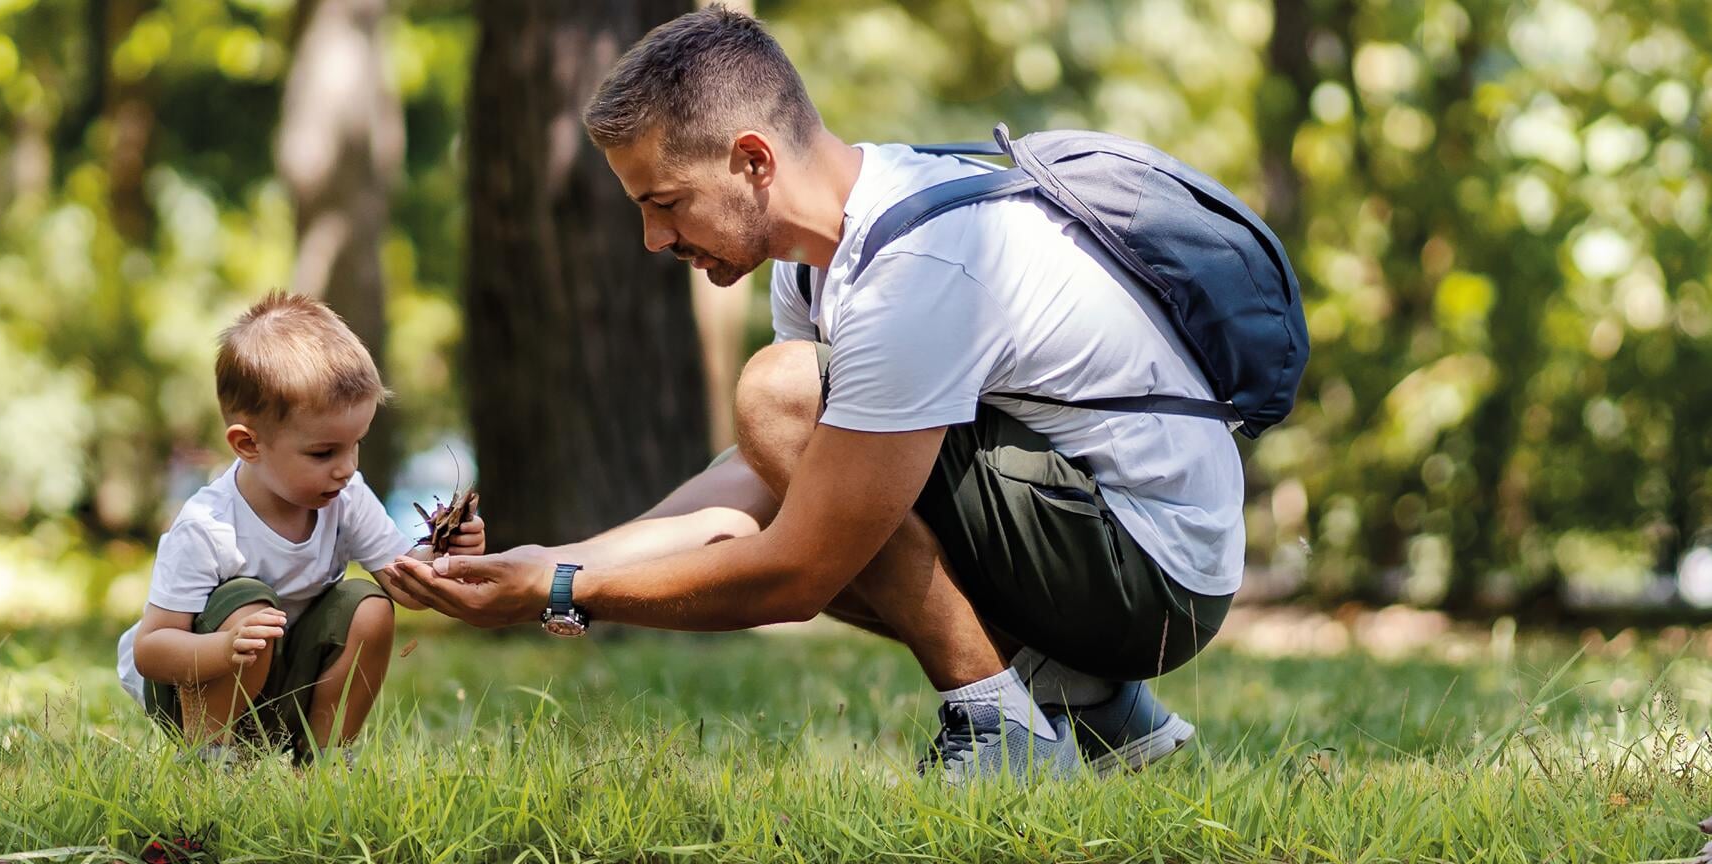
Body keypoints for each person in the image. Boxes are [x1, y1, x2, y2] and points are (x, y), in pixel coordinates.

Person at [381, 6, 1239, 781]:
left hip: (1155, 573)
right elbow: (762, 485)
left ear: (752, 159)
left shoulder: (918, 267)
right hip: (1094, 548)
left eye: (666, 203)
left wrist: (564, 593)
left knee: (784, 401)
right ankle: (1097, 711)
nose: (652, 239)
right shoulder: (815, 263)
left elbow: (795, 573)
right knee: (806, 450)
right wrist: (554, 560)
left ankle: (1000, 732)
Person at [115, 291, 483, 761]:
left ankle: (323, 762)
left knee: (370, 605)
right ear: (248, 444)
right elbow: (151, 650)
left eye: (356, 445)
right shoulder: (208, 526)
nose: (346, 467)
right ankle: (213, 763)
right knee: (248, 603)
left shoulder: (345, 496)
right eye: (323, 452)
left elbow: (405, 585)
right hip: (195, 685)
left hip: (285, 678)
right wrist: (222, 649)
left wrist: (449, 554)